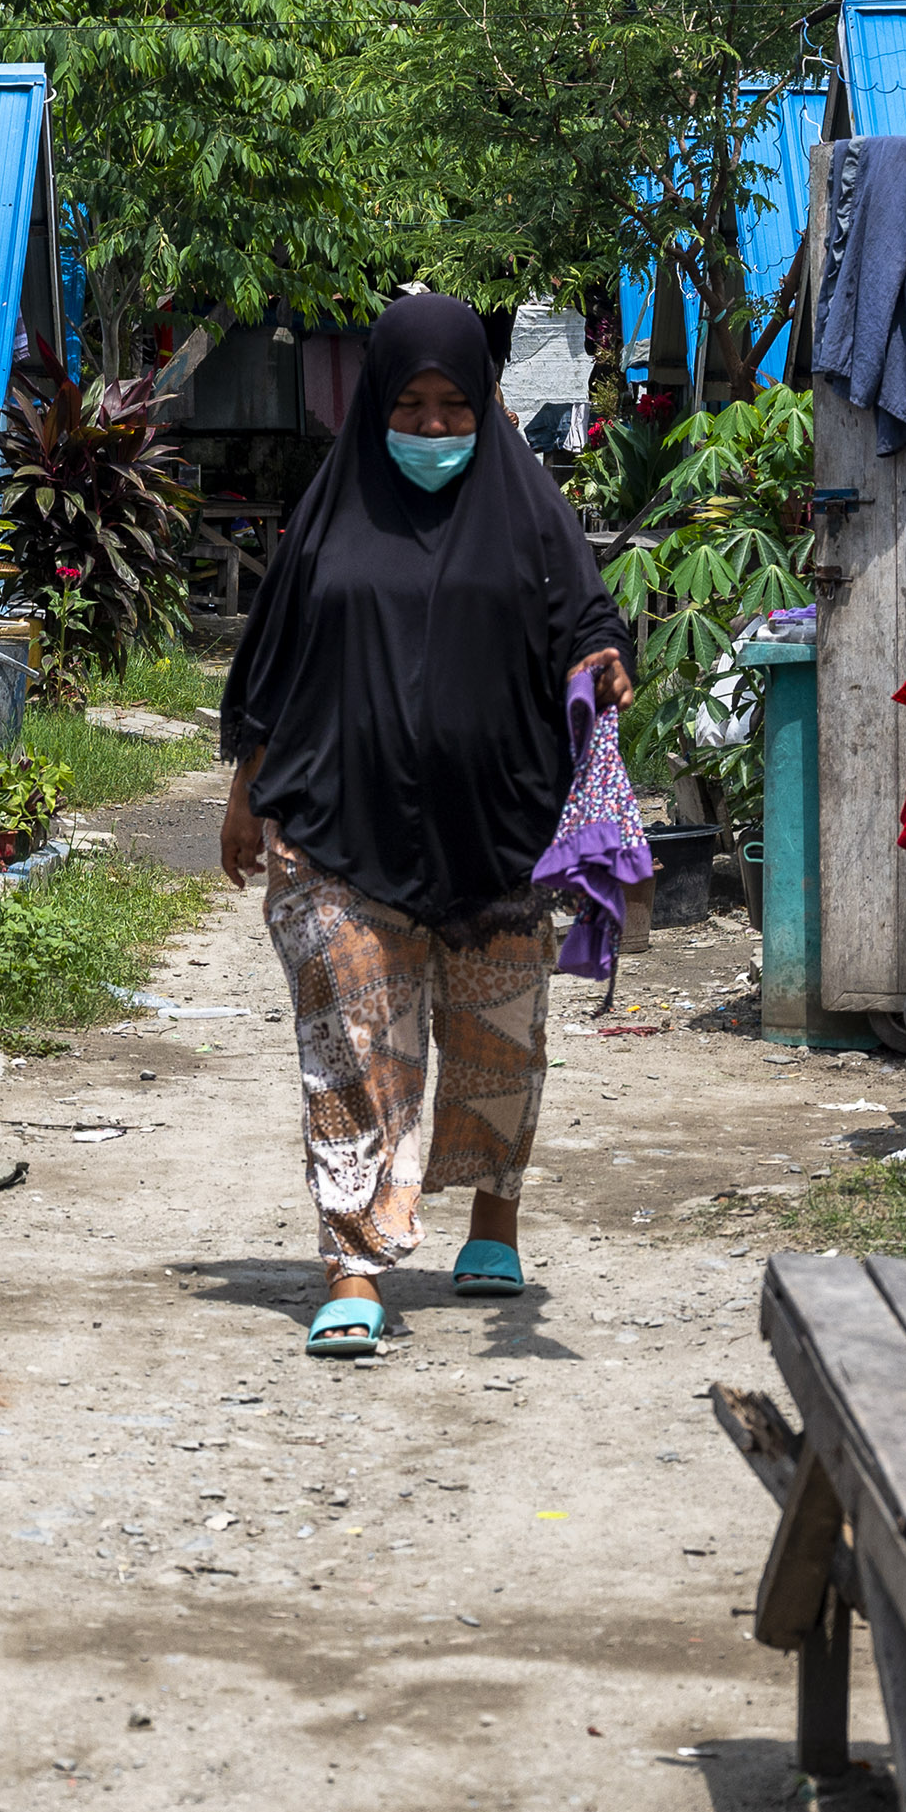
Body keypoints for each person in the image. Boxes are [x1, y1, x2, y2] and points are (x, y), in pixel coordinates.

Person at [215, 295, 632, 1357]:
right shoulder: (329, 514)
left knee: (496, 1038)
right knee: (351, 1043)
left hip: (503, 833)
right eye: (413, 404)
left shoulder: (528, 510)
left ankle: (492, 1219)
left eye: (456, 405)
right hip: (337, 831)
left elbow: (582, 616)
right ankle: (351, 1266)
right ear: (375, 408)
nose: (436, 428)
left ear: (485, 407)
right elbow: (273, 660)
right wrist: (243, 793)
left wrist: (598, 660)